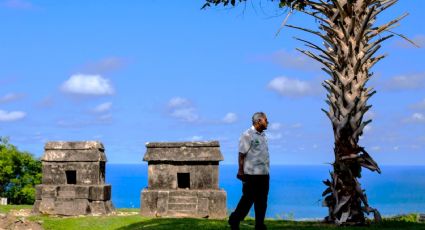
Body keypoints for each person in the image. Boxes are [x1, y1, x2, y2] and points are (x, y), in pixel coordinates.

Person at [228, 112, 270, 230]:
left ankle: (259, 225)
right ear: (259, 121)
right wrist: (240, 171)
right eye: (266, 120)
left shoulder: (263, 136)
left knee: (262, 201)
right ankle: (234, 219)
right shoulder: (247, 135)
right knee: (248, 199)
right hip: (251, 174)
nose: (268, 122)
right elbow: (241, 154)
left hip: (264, 174)